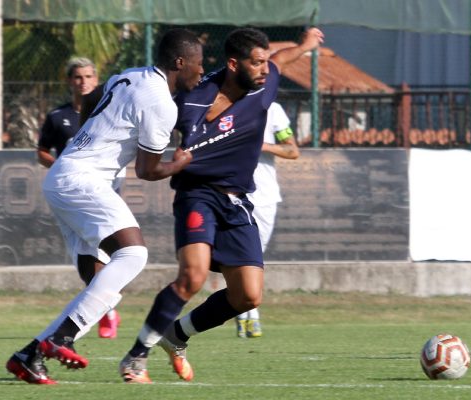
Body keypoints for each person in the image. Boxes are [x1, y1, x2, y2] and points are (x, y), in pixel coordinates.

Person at [119, 27, 324, 384]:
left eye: (264, 62)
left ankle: (176, 335)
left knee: (248, 296)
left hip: (237, 201)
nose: (264, 70)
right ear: (234, 63)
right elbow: (148, 117)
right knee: (192, 278)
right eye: (256, 62)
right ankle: (136, 357)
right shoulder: (191, 100)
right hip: (197, 194)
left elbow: (279, 60)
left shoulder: (263, 87)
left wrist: (305, 46)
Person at [5, 28, 204, 385]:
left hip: (64, 176)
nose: (201, 71)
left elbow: (93, 97)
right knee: (134, 255)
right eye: (199, 63)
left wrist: (86, 141)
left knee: (99, 286)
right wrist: (181, 162)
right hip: (83, 181)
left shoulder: (131, 74)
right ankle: (59, 338)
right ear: (180, 62)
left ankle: (30, 356)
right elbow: (148, 170)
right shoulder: (162, 102)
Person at [36, 57, 122, 340]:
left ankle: (104, 306)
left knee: (108, 253)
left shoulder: (107, 114)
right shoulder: (58, 117)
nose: (83, 82)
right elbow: (42, 151)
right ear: (69, 81)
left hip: (103, 191)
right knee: (87, 261)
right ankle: (105, 306)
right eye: (77, 77)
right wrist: (61, 167)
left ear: (96, 81)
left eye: (88, 76)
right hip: (72, 191)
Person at [235, 101, 299, 338]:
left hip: (264, 198)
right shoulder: (222, 103)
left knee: (255, 257)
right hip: (231, 193)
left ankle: (247, 310)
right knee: (241, 256)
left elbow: (292, 150)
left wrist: (261, 145)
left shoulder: (273, 109)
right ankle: (247, 314)